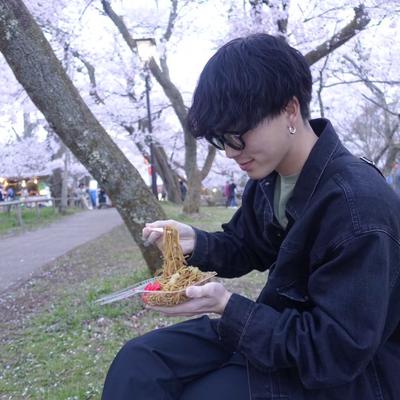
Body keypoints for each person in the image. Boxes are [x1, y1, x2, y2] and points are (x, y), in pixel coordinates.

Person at [102, 34, 400, 399]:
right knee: (140, 363)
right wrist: (195, 242)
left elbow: (335, 351)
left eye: (238, 135)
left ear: (290, 109)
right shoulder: (270, 178)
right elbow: (247, 245)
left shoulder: (358, 208)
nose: (230, 153)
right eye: (221, 139)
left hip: (345, 371)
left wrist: (227, 307)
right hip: (278, 331)